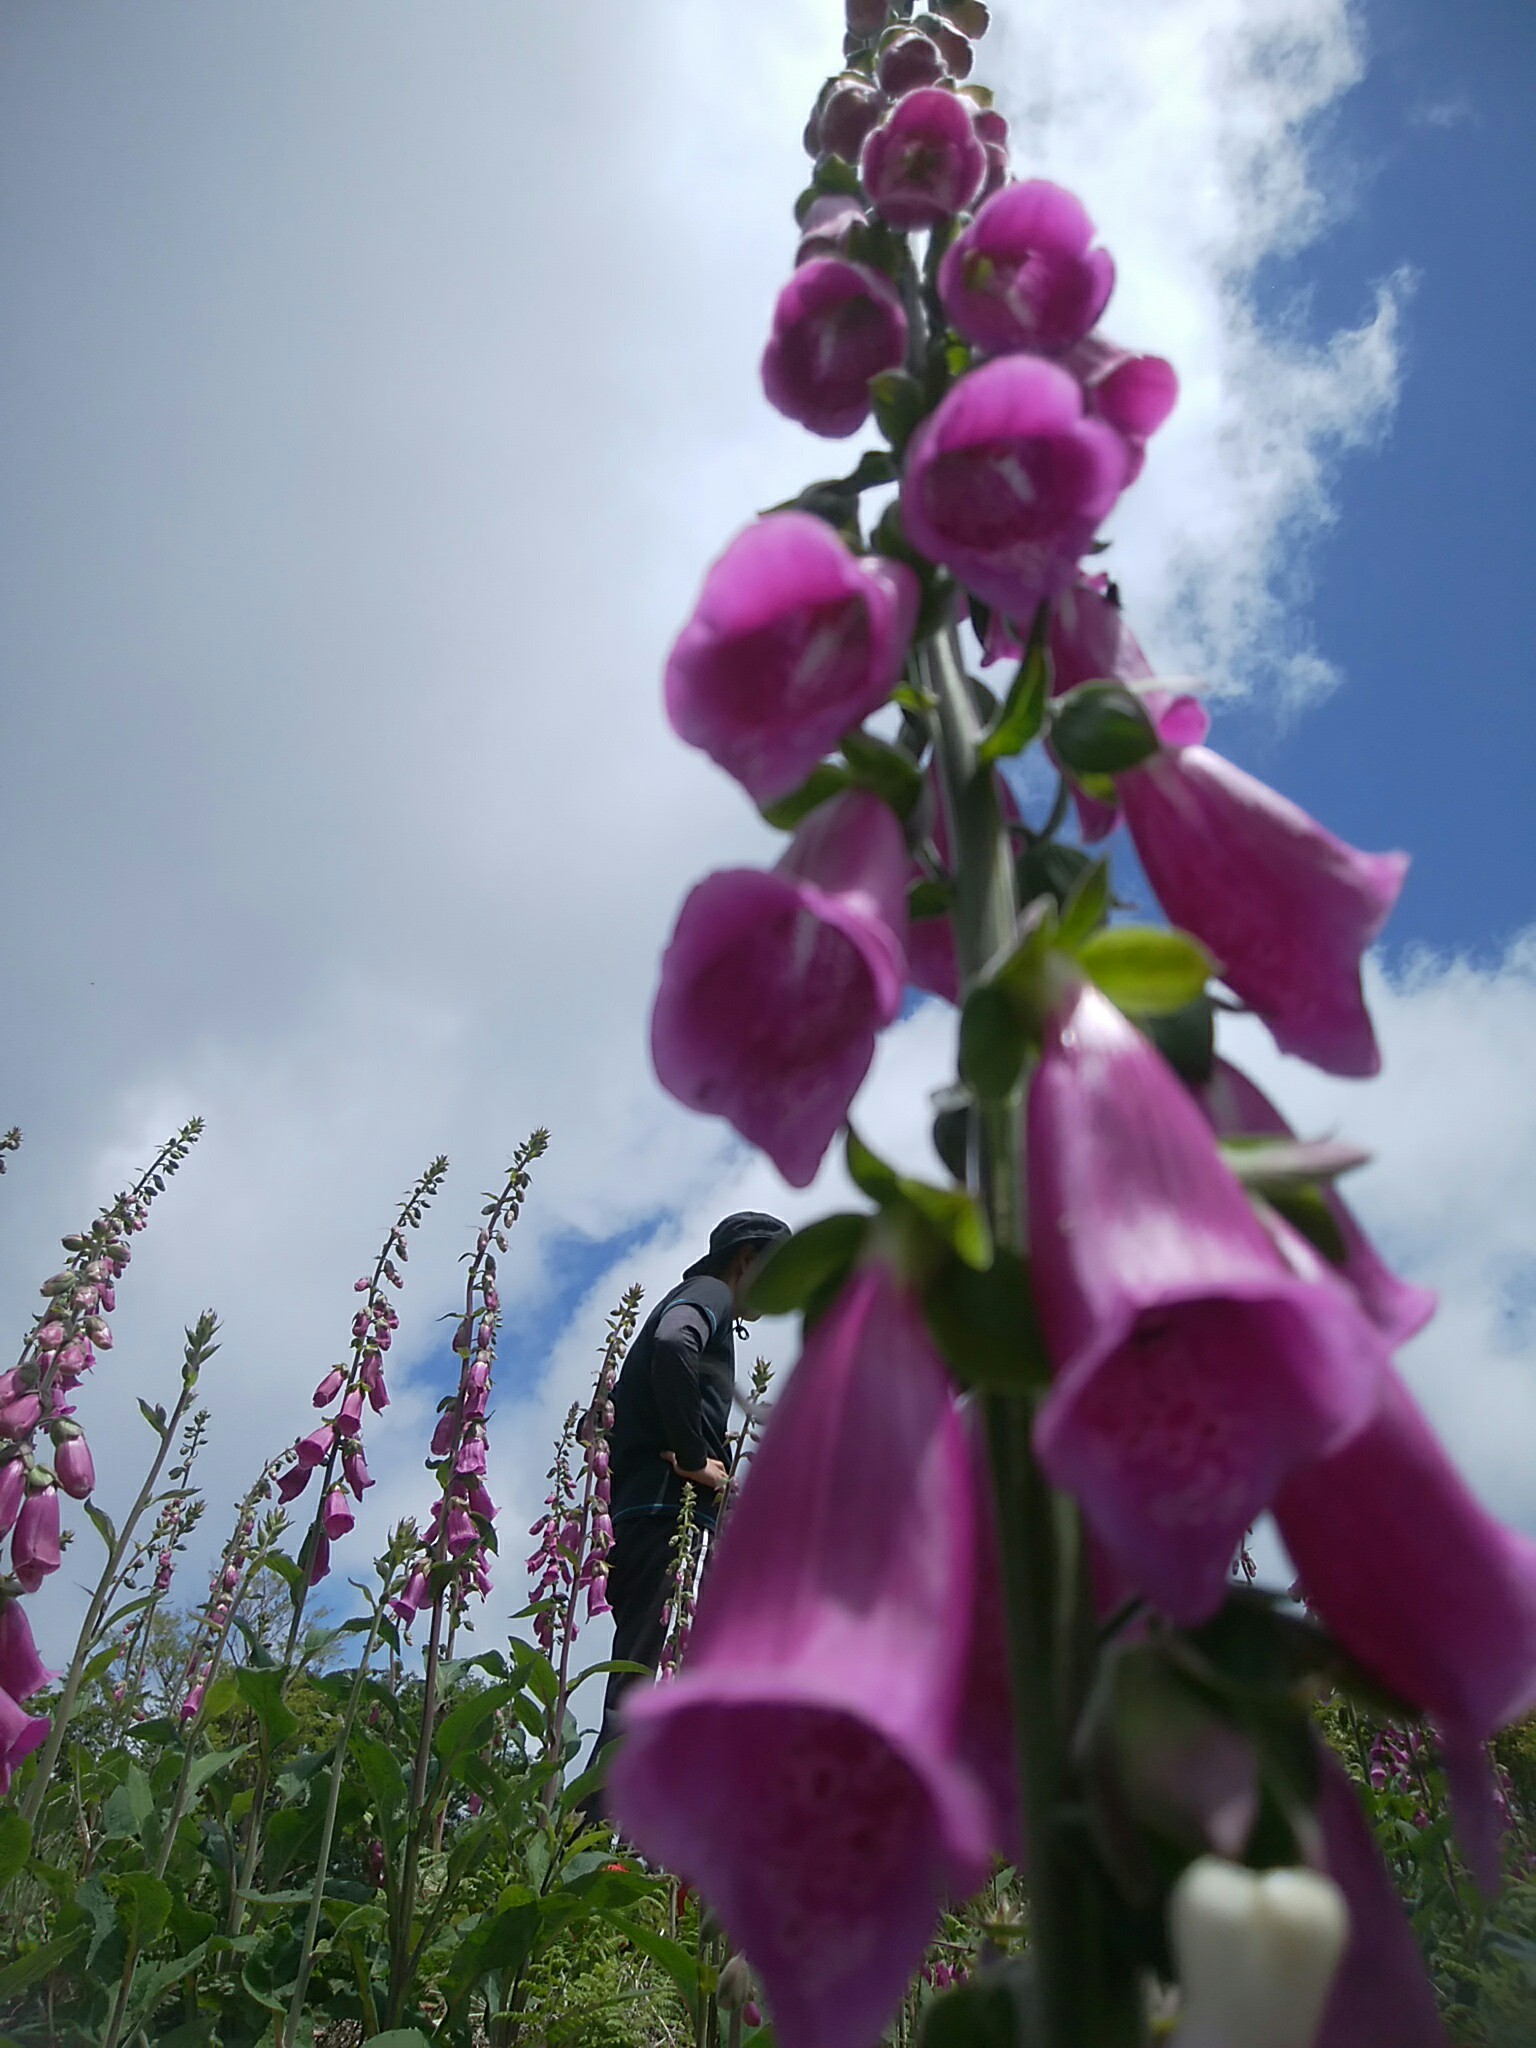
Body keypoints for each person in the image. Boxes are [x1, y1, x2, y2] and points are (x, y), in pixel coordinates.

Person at [585, 1209, 788, 1820]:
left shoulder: (703, 1301)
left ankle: (610, 1838)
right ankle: (582, 1847)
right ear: (746, 1261)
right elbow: (675, 1342)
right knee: (638, 1684)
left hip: (640, 1514)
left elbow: (602, 1420)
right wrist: (696, 1457)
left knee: (642, 1674)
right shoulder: (709, 1294)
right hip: (662, 1512)